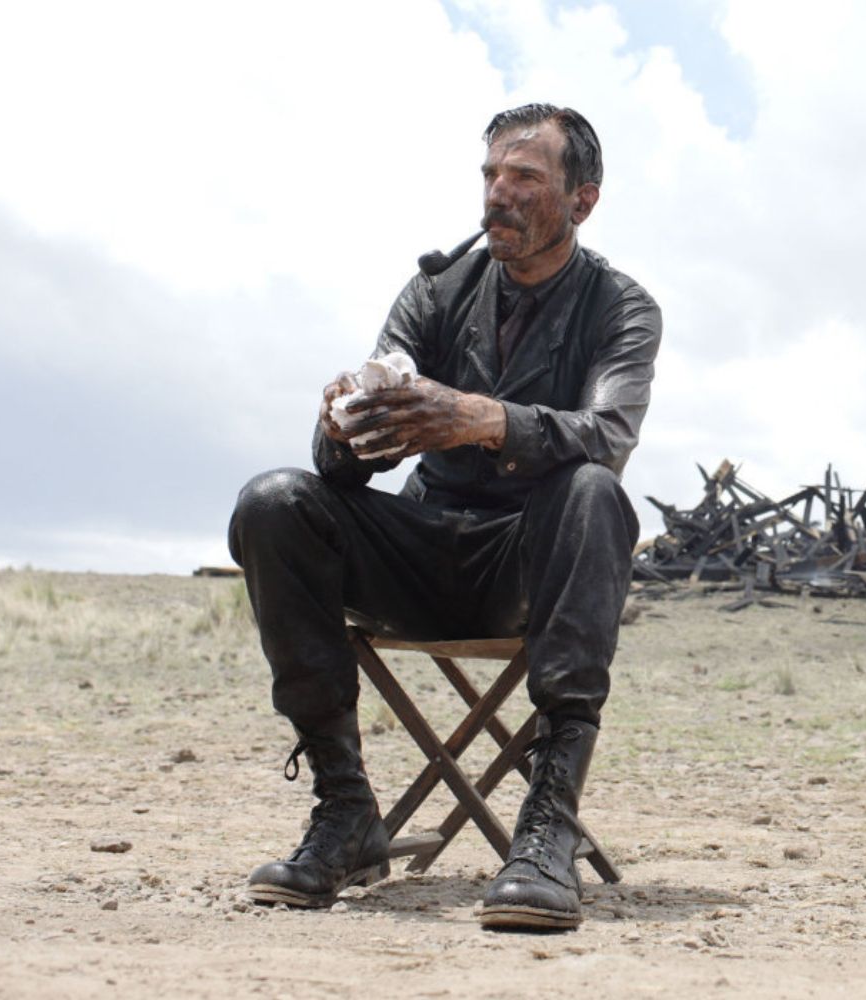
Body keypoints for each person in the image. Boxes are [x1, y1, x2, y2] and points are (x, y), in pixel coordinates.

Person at [227, 104, 660, 930]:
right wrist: (345, 424)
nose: (499, 194)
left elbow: (607, 438)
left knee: (594, 493)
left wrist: (482, 418)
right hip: (420, 554)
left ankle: (545, 832)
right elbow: (347, 470)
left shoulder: (622, 306)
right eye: (491, 175)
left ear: (582, 200)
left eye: (526, 178)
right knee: (275, 502)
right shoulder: (434, 289)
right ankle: (346, 814)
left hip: (530, 570)